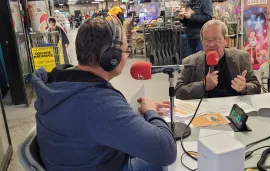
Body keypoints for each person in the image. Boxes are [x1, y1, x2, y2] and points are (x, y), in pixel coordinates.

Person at [31, 16, 176, 171]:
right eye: (125, 51)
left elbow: (95, 122)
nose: (126, 56)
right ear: (111, 58)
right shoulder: (97, 102)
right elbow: (166, 151)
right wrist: (151, 112)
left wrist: (137, 116)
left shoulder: (60, 82)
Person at [175, 20, 261, 100]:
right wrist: (203, 85)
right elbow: (178, 92)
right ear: (201, 41)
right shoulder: (190, 62)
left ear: (226, 40)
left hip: (232, 109)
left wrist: (244, 87)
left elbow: (257, 87)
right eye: (206, 39)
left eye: (215, 39)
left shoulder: (241, 57)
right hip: (203, 111)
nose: (211, 44)